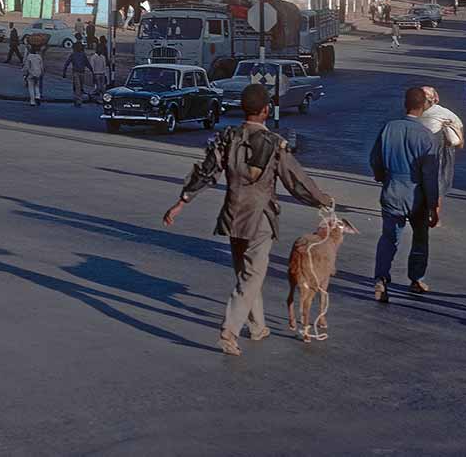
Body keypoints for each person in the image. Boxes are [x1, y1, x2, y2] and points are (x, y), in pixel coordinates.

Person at [163, 83, 335, 356]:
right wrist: (323, 200)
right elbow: (297, 181)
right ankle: (229, 331)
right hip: (260, 219)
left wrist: (181, 203)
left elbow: (206, 173)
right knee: (252, 275)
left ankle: (257, 326)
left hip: (233, 216)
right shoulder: (274, 144)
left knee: (247, 274)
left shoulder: (227, 137)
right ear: (266, 110)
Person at [370, 87, 441, 301]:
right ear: (424, 107)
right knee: (420, 238)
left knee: (389, 238)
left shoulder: (389, 128)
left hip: (392, 191)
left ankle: (381, 279)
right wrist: (433, 205)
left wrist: (383, 177)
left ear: (405, 104)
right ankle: (416, 278)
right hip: (417, 195)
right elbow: (430, 175)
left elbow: (375, 160)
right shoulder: (427, 136)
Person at [417, 86, 464, 204]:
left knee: (436, 182)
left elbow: (458, 127)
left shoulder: (442, 113)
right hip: (426, 152)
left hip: (438, 152)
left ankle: (433, 211)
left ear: (433, 99)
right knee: (435, 182)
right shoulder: (417, 112)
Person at [62, 43, 94, 107]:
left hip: (81, 72)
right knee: (78, 86)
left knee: (80, 86)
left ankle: (76, 98)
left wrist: (91, 70)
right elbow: (67, 63)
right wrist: (64, 71)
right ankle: (79, 100)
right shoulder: (73, 55)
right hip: (76, 72)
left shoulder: (82, 55)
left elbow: (87, 63)